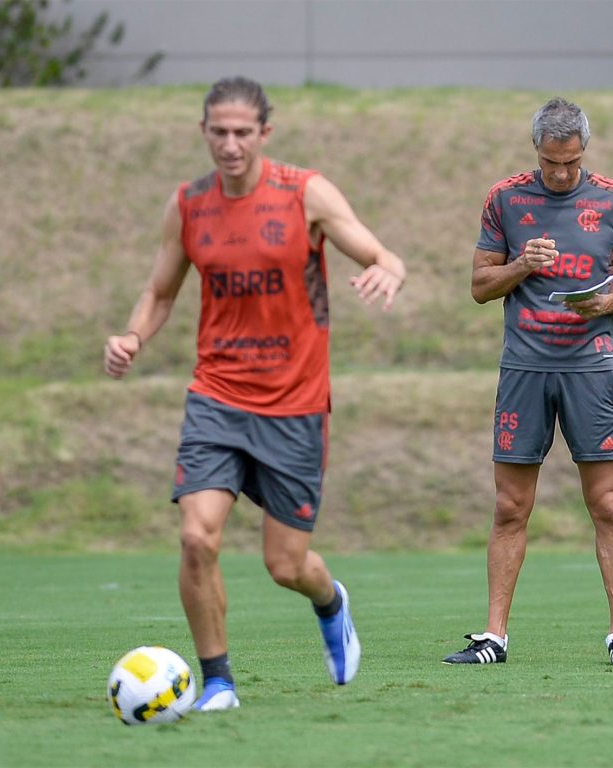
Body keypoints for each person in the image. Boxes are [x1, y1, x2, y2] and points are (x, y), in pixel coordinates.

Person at [104, 76, 405, 710]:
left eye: (244, 132)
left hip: (295, 405)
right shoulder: (187, 205)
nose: (231, 144)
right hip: (216, 395)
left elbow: (380, 253)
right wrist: (132, 336)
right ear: (204, 132)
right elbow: (159, 292)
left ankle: (331, 601)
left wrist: (385, 270)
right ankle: (218, 682)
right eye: (220, 132)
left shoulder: (305, 194)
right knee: (196, 536)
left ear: (264, 133)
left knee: (286, 565)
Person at [443, 97, 613, 667]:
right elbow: (479, 286)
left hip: (592, 368)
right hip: (524, 368)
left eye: (570, 161)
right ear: (535, 151)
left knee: (608, 504)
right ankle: (494, 638)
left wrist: (607, 301)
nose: (560, 173)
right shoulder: (505, 199)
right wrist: (521, 266)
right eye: (549, 162)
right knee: (510, 506)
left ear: (584, 151)